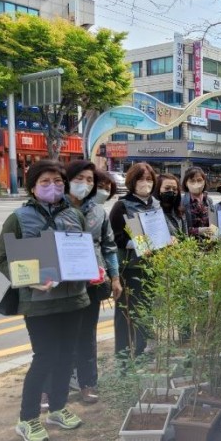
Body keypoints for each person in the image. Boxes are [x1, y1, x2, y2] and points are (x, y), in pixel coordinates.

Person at [0, 160, 88, 441]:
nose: (53, 187)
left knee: (67, 356)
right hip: (39, 302)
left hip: (73, 299)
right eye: (45, 182)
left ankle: (58, 408)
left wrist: (91, 268)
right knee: (45, 357)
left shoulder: (74, 214)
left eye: (58, 181)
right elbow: (2, 258)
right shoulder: (18, 218)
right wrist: (27, 278)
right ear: (32, 187)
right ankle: (27, 418)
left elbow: (84, 248)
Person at [65, 161, 123, 405]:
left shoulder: (98, 211)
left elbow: (109, 246)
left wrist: (115, 277)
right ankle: (52, 385)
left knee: (87, 333)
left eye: (90, 180)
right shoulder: (54, 208)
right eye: (80, 178)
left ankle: (88, 383)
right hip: (61, 283)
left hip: (92, 282)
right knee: (59, 335)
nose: (86, 184)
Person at [109, 162, 159, 359]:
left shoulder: (155, 203)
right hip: (129, 268)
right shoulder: (122, 205)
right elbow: (115, 238)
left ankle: (141, 350)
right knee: (126, 314)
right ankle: (124, 356)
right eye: (140, 179)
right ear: (132, 181)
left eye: (149, 179)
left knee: (145, 310)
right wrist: (138, 244)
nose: (145, 183)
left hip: (150, 267)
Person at [180, 167, 215, 239]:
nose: (196, 184)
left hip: (209, 243)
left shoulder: (208, 200)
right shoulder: (181, 201)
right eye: (192, 181)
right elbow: (180, 228)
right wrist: (198, 231)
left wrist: (214, 232)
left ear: (204, 182)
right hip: (190, 245)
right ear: (186, 183)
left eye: (199, 180)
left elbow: (213, 222)